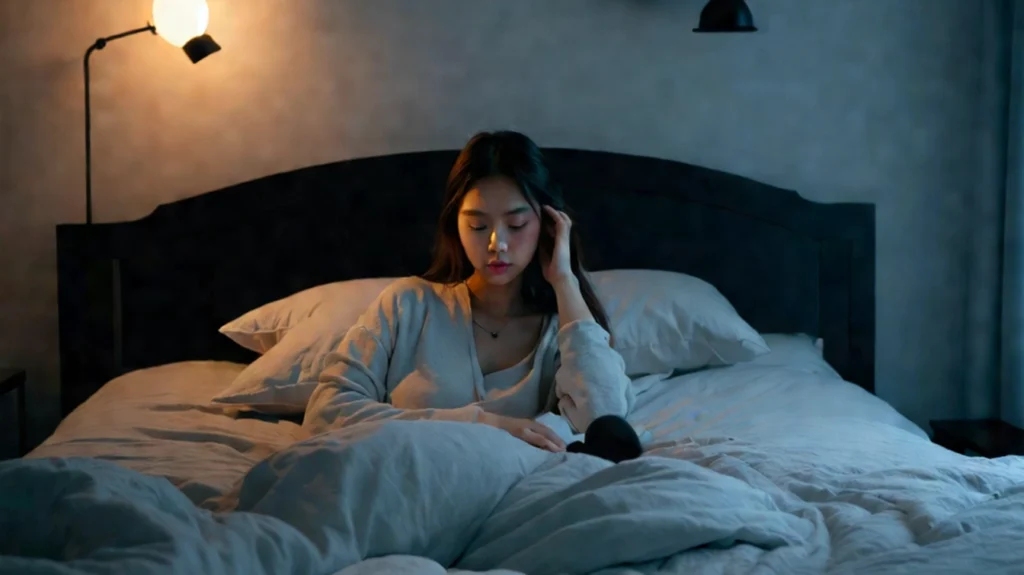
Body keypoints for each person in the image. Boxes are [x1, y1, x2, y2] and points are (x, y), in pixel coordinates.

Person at [302, 130, 642, 462]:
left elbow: (605, 417)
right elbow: (326, 411)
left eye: (517, 225)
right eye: (478, 226)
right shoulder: (408, 305)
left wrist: (565, 281)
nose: (497, 244)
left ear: (547, 225)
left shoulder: (562, 331)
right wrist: (483, 425)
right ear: (456, 226)